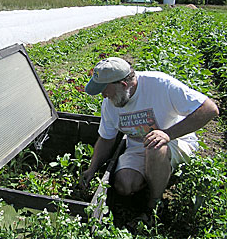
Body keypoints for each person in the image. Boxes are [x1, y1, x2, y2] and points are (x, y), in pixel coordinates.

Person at [80, 57, 219, 216]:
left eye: (105, 90)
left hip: (176, 141)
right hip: (139, 146)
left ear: (123, 85)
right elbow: (106, 138)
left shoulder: (160, 85)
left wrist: (168, 134)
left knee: (155, 146)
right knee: (124, 185)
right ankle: (157, 176)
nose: (103, 95)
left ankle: (154, 203)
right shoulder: (110, 103)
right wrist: (92, 168)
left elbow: (210, 109)